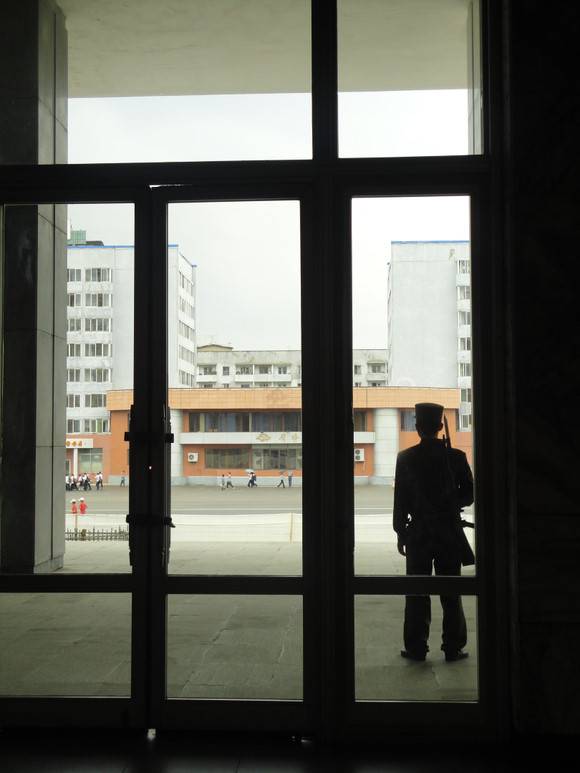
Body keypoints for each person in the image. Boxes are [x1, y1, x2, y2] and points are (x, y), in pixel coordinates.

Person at [393, 402, 474, 663]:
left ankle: (416, 647)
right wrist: (450, 502)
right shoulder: (456, 457)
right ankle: (453, 647)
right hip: (448, 532)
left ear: (417, 427)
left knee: (417, 591)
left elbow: (400, 501)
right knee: (451, 591)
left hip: (418, 533)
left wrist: (401, 532)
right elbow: (469, 495)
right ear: (440, 426)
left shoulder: (405, 458)